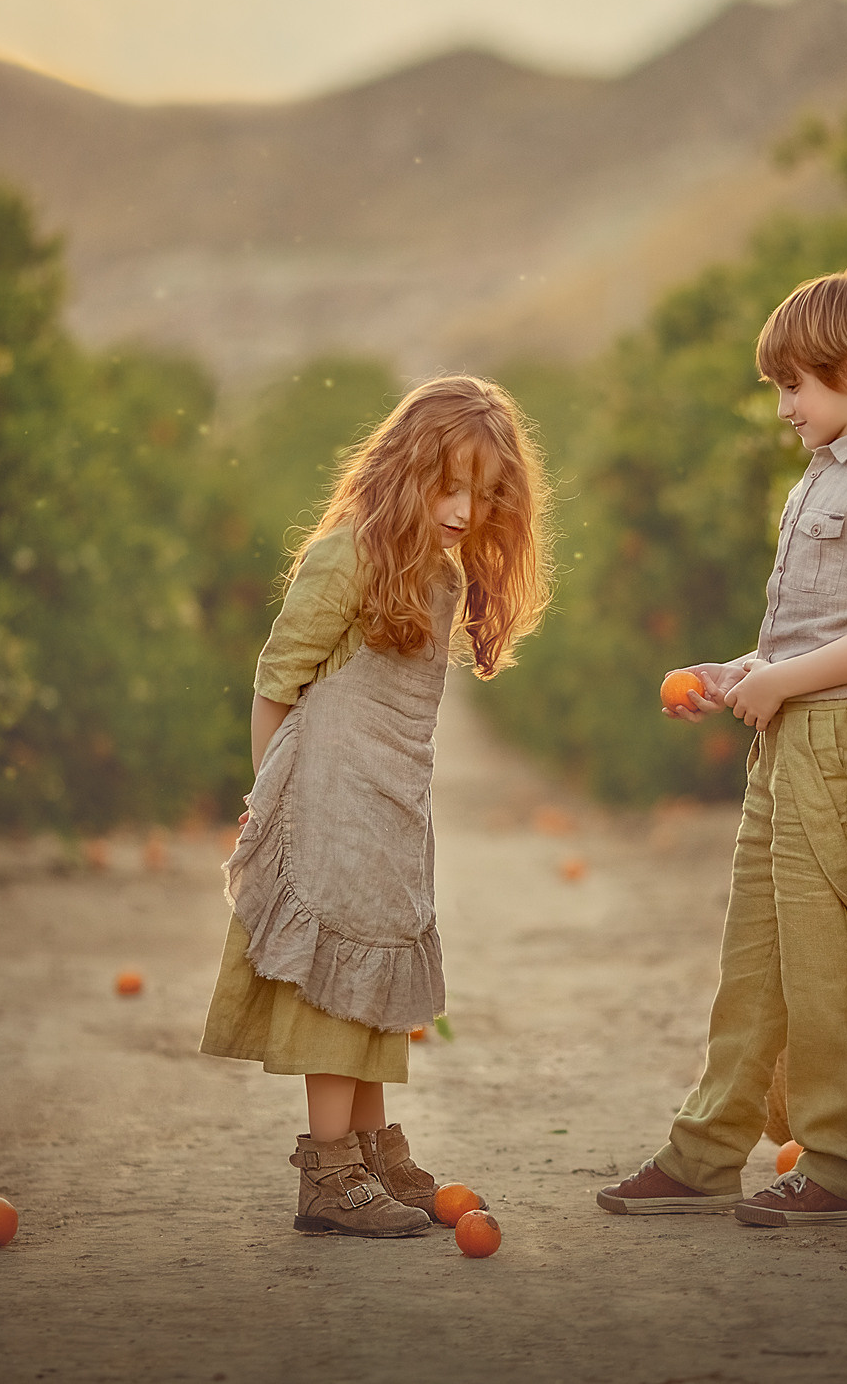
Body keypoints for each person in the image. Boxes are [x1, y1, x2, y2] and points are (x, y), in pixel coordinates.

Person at [598, 268, 847, 1227]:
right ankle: (706, 1153)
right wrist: (739, 672)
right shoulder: (823, 473)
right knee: (751, 960)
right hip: (790, 741)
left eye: (793, 385)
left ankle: (840, 1163)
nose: (784, 406)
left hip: (845, 744)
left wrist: (783, 683)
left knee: (826, 967)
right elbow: (810, 635)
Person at [201, 375, 551, 1237]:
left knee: (376, 966)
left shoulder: (437, 574)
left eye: (483, 494)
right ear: (403, 469)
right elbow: (274, 682)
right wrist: (269, 802)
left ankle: (372, 1149)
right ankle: (328, 1170)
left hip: (390, 800)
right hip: (325, 795)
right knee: (335, 975)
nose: (464, 511)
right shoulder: (348, 555)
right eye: (447, 485)